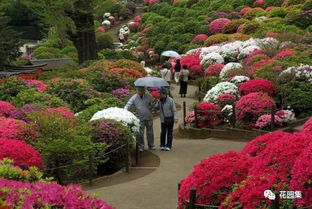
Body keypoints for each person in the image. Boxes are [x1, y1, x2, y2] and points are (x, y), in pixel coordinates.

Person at [124, 86, 155, 152]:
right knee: (140, 133)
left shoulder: (148, 96)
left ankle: (151, 145)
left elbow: (152, 106)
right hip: (140, 118)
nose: (141, 91)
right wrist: (125, 110)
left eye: (142, 90)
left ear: (144, 90)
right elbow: (128, 104)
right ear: (137, 90)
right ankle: (141, 146)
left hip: (148, 117)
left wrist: (153, 103)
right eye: (139, 90)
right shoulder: (134, 97)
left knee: (150, 132)